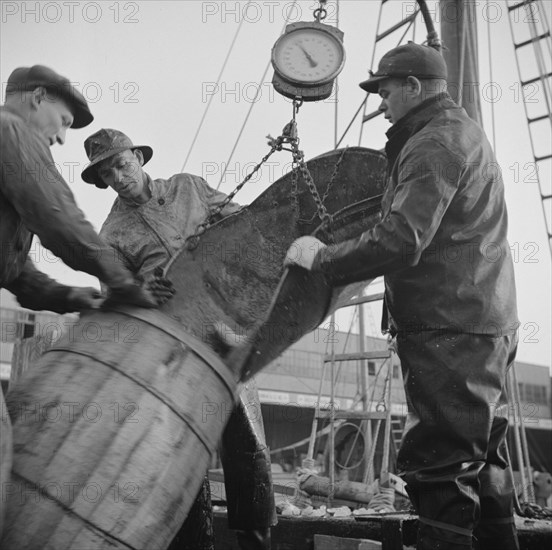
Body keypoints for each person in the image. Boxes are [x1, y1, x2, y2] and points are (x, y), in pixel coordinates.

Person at [285, 43, 519, 550]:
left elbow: (401, 239)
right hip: (481, 322)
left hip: (450, 328)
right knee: (482, 463)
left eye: (385, 91)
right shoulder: (460, 134)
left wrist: (320, 257)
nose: (380, 103)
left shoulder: (434, 143)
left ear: (413, 87)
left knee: (439, 470)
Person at [81, 128, 276, 550]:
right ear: (101, 181)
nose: (118, 175)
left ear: (138, 157)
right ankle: (195, 544)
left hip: (227, 332)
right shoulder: (111, 236)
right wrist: (141, 294)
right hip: (171, 349)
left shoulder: (190, 187)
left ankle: (257, 540)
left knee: (246, 441)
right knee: (183, 452)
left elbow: (246, 223)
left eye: (121, 163)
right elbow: (115, 301)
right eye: (107, 172)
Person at [1, 64, 155, 313]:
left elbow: (12, 268)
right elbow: (57, 218)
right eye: (64, 121)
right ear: (39, 97)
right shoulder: (11, 128)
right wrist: (124, 283)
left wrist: (66, 295)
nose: (61, 137)